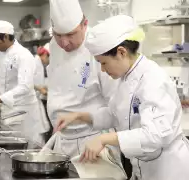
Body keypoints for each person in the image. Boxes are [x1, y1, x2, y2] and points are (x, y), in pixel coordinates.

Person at [55, 15, 189, 180]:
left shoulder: (153, 80)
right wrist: (80, 116)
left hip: (167, 171)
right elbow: (115, 113)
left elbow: (155, 135)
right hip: (143, 169)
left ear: (121, 52)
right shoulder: (125, 78)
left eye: (104, 63)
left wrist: (104, 139)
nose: (103, 70)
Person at [46, 0, 117, 157]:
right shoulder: (54, 46)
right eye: (58, 35)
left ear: (85, 24)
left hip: (93, 142)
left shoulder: (99, 46)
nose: (64, 43)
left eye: (71, 34)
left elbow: (116, 105)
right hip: (61, 140)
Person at [0, 20, 50, 144]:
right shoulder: (0, 54)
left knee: (26, 148)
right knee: (9, 147)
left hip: (23, 112)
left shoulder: (23, 55)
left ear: (5, 37)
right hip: (8, 111)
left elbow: (25, 86)